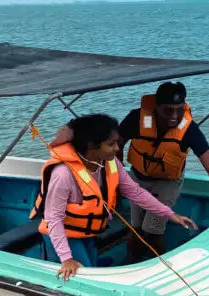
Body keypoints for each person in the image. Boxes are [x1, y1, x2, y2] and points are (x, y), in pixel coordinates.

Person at [29, 113, 197, 280]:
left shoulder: (110, 163)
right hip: (62, 235)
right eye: (111, 144)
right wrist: (66, 259)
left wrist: (169, 214)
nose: (117, 148)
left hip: (87, 233)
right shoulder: (63, 174)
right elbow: (54, 218)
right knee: (85, 277)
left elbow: (135, 192)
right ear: (91, 146)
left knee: (91, 268)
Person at [117, 81, 209, 262]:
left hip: (168, 183)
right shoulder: (137, 118)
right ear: (157, 107)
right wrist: (117, 179)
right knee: (135, 227)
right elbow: (116, 145)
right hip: (138, 179)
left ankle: (161, 263)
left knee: (152, 229)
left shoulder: (189, 129)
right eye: (168, 110)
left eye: (179, 109)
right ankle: (132, 260)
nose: (174, 116)